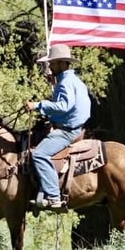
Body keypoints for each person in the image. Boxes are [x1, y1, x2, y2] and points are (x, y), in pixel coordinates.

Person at [24, 44, 91, 209]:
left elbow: (64, 106)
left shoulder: (65, 83)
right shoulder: (72, 80)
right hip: (74, 126)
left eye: (52, 63)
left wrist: (37, 105)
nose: (50, 66)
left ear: (61, 63)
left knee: (39, 154)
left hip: (67, 131)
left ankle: (54, 196)